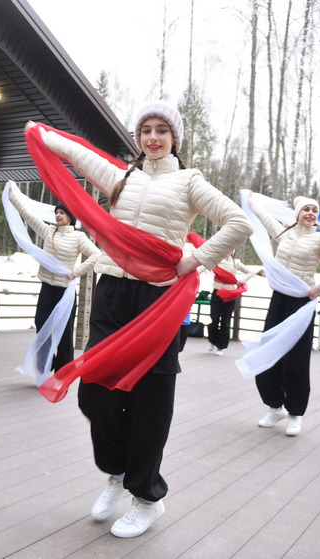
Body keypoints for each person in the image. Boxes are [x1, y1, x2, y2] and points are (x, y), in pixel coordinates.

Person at [26, 101, 252, 538]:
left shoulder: (190, 181)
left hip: (159, 299)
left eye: (161, 130)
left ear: (175, 138)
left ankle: (147, 497)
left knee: (150, 399)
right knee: (94, 393)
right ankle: (116, 472)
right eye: (145, 130)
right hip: (112, 290)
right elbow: (77, 155)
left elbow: (237, 222)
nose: (152, 137)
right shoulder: (122, 177)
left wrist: (196, 260)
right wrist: (38, 132)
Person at [248, 194, 320, 436]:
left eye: (314, 211)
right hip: (279, 300)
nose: (310, 214)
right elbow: (263, 216)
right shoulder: (284, 233)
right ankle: (275, 407)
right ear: (297, 213)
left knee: (295, 360)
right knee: (268, 354)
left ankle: (295, 413)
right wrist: (251, 200)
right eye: (306, 209)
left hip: (302, 302)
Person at [7, 185, 100, 372]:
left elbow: (96, 255)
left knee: (64, 332)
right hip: (47, 288)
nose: (58, 216)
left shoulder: (78, 238)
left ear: (70, 217)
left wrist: (75, 272)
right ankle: (45, 365)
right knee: (41, 325)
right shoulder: (49, 231)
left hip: (64, 290)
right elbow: (29, 215)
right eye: (56, 212)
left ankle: (63, 368)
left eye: (62, 213)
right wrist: (13, 195)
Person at [206, 252, 255, 356]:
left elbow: (250, 272)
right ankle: (212, 340)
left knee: (225, 320)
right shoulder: (217, 260)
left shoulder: (236, 262)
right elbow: (205, 264)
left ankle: (221, 346)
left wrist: (241, 281)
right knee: (214, 318)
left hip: (230, 294)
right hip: (217, 291)